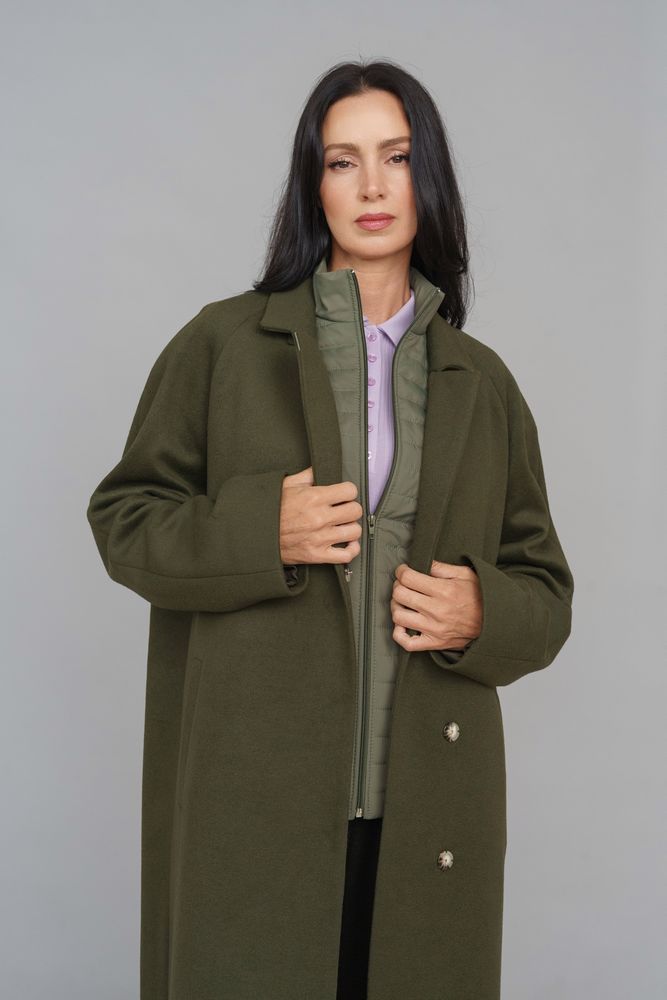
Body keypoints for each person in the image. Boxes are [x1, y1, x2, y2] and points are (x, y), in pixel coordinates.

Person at [86, 59, 574, 1000]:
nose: (372, 186)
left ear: (427, 179)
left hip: (427, 805)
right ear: (314, 186)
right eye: (342, 161)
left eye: (396, 157)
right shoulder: (223, 345)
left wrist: (483, 610)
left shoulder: (481, 382)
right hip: (256, 798)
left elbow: (544, 592)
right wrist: (259, 530)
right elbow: (125, 520)